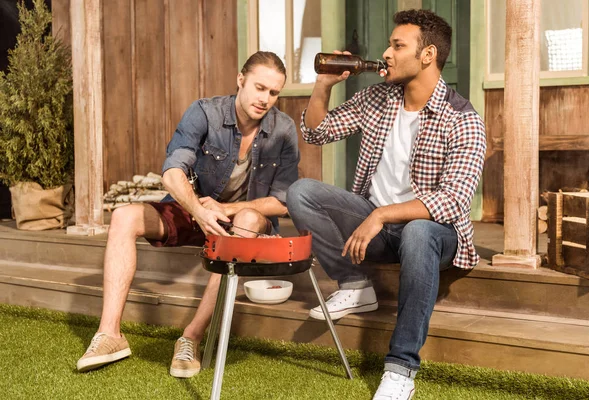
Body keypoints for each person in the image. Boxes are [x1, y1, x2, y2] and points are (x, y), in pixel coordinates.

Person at [286, 9, 486, 400]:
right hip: (375, 228)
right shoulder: (378, 98)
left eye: (398, 45)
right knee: (301, 192)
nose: (387, 53)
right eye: (389, 45)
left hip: (433, 235)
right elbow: (316, 130)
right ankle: (355, 283)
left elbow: (452, 201)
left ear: (427, 55)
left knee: (417, 230)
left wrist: (380, 214)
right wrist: (323, 84)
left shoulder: (462, 118)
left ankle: (400, 370)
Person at [77, 51, 300, 378]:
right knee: (125, 215)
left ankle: (191, 337)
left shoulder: (283, 129)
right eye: (259, 87)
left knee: (249, 220)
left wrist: (226, 209)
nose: (265, 99)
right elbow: (172, 171)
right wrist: (198, 209)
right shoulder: (204, 112)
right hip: (193, 210)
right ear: (241, 80)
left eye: (273, 92)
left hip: (239, 224)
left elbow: (282, 201)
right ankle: (110, 335)